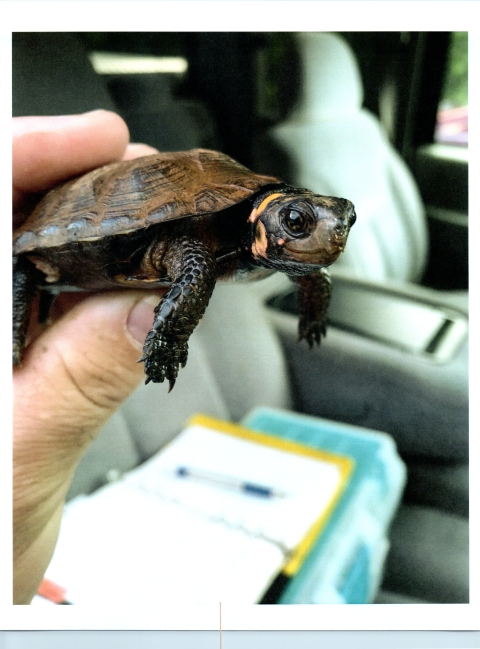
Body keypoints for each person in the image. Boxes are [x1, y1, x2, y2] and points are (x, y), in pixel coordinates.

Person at [13, 110, 165, 604]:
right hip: (68, 244)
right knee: (25, 275)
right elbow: (193, 258)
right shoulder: (197, 247)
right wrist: (165, 338)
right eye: (296, 223)